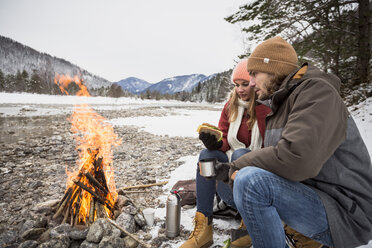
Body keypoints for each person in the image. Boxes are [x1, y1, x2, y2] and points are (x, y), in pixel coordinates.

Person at [224, 36, 372, 248]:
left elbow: (295, 159)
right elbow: (276, 158)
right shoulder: (283, 102)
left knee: (251, 181)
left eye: (255, 73)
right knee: (245, 163)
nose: (252, 82)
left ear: (274, 69)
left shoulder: (317, 93)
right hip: (318, 195)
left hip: (346, 212)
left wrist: (236, 167)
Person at [180, 59, 271, 248]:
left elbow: (272, 150)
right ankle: (204, 228)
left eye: (245, 84)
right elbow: (226, 141)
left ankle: (249, 226)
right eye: (237, 85)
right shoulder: (231, 106)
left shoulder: (267, 109)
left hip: (258, 189)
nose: (240, 89)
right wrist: (215, 143)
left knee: (241, 155)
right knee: (207, 155)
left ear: (255, 83)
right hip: (230, 185)